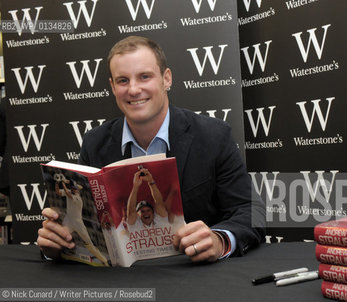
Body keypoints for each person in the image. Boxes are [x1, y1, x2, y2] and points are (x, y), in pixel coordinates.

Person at [37, 35, 265, 262]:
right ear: (112, 87)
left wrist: (219, 240)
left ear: (166, 79)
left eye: (144, 77)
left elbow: (250, 210)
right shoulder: (94, 143)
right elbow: (89, 227)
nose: (134, 90)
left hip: (196, 277)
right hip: (124, 284)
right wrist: (58, 244)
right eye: (123, 80)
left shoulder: (214, 136)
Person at [54, 175, 109, 266]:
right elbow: (58, 192)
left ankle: (104, 260)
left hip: (78, 222)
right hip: (68, 219)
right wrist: (57, 182)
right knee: (60, 236)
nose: (75, 190)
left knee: (88, 242)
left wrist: (63, 182)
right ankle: (58, 256)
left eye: (76, 189)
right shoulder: (70, 192)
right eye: (73, 188)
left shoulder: (77, 198)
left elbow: (69, 193)